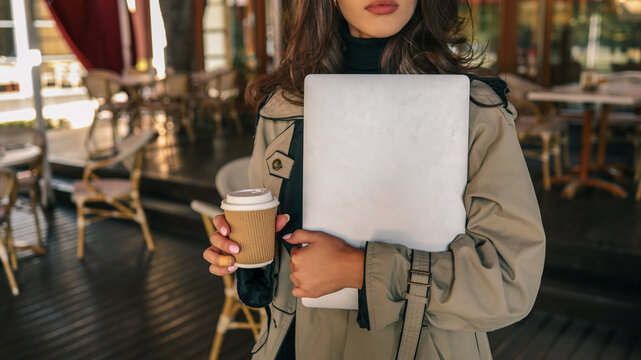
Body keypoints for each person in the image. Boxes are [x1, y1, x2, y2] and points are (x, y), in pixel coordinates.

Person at [203, 0, 546, 358]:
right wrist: (242, 250)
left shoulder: (473, 109)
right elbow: (277, 270)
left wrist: (363, 270)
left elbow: (510, 280)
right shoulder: (283, 108)